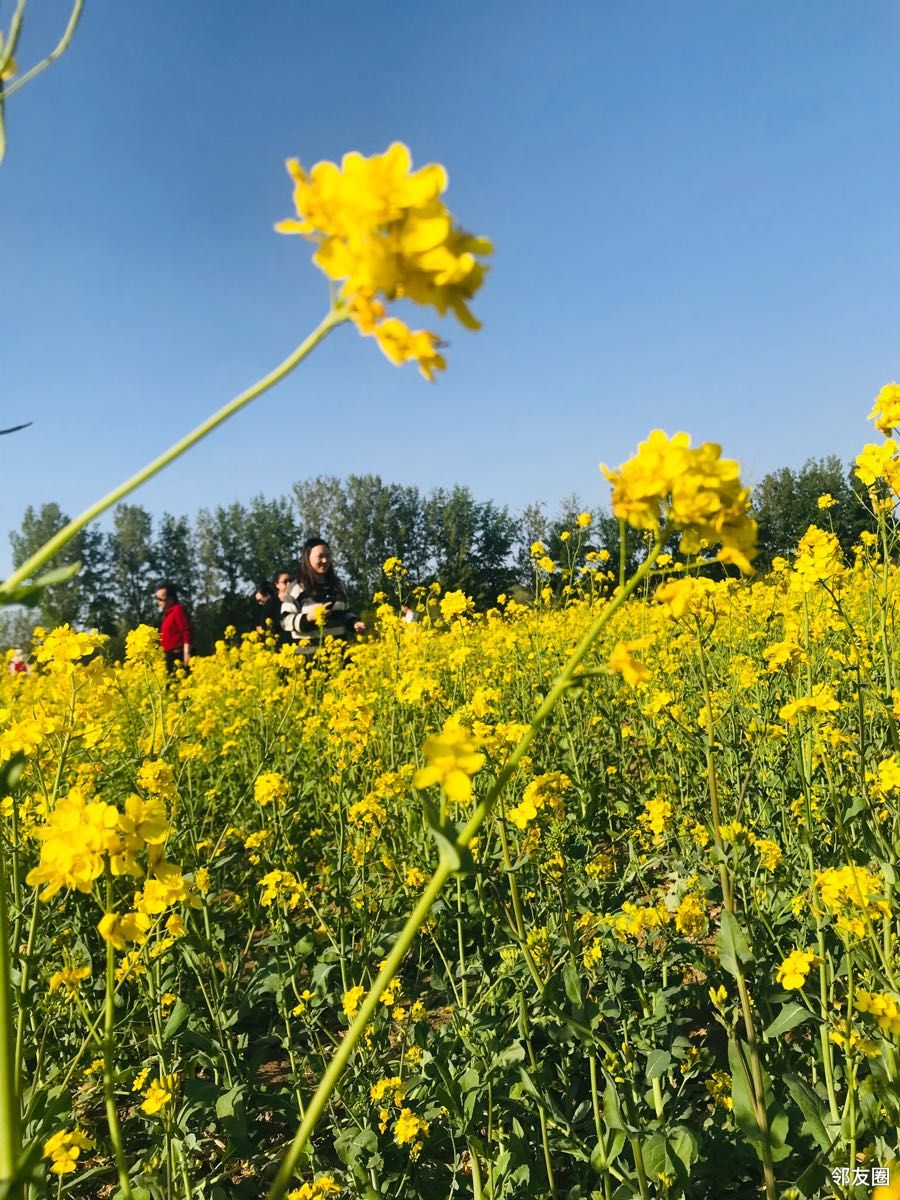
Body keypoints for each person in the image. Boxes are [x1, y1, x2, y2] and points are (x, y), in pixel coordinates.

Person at [281, 538, 365, 656]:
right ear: (307, 558)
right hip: (308, 658)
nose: (325, 560)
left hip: (339, 656)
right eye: (320, 556)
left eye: (328, 556)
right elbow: (285, 621)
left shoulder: (338, 585)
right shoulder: (297, 587)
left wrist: (354, 623)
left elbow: (345, 613)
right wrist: (309, 618)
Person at [155, 582, 191, 673]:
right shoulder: (167, 614)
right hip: (169, 656)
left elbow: (186, 631)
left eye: (160, 599)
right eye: (157, 599)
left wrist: (187, 654)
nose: (158, 602)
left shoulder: (178, 610)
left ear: (171, 599)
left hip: (179, 655)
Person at [255, 580, 290, 647]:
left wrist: (261, 628)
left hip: (279, 640)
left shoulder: (270, 604)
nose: (260, 603)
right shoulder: (279, 601)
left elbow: (263, 625)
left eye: (260, 600)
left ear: (267, 594)